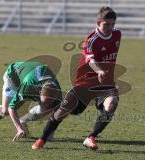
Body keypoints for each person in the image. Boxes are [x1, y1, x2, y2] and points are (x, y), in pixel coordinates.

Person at [32, 6, 121, 150]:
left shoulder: (117, 34)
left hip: (105, 84)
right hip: (84, 83)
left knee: (112, 104)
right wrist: (98, 71)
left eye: (113, 24)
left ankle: (91, 137)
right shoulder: (91, 40)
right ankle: (42, 139)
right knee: (65, 111)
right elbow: (91, 60)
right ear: (98, 23)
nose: (110, 27)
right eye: (107, 24)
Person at [0, 61, 62, 141]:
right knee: (6, 111)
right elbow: (11, 108)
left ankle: (23, 120)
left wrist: (50, 134)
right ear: (39, 92)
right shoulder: (28, 86)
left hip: (31, 74)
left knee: (47, 109)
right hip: (13, 76)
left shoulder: (57, 92)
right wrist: (19, 129)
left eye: (50, 101)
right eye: (45, 102)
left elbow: (57, 114)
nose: (48, 104)